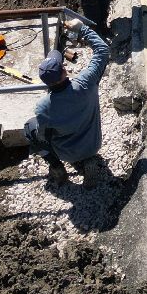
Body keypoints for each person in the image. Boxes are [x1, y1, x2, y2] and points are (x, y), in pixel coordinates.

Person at [23, 20, 110, 185]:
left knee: (29, 128)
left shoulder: (43, 107)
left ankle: (57, 167)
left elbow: (43, 137)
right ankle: (88, 161)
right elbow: (102, 50)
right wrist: (81, 28)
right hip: (93, 144)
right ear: (64, 70)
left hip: (66, 154)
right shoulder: (86, 82)